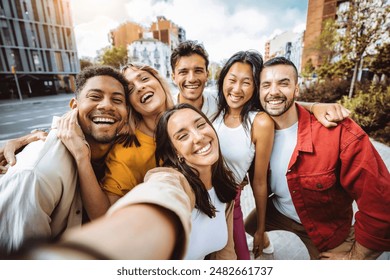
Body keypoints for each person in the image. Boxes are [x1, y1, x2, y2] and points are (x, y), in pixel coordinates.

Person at [0, 66, 192, 259]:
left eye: (117, 99)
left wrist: (27, 138)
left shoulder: (189, 116)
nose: (107, 106)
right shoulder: (35, 173)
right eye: (131, 89)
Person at [245, 57, 390, 260]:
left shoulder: (339, 132)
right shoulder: (253, 128)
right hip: (278, 211)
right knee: (246, 227)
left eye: (283, 83)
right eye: (266, 85)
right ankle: (264, 240)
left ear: (296, 89)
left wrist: (355, 258)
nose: (274, 91)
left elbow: (382, 204)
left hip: (325, 228)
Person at [59, 63, 174, 220]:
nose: (140, 87)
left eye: (144, 79)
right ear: (129, 105)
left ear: (160, 82)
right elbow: (103, 215)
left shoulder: (188, 117)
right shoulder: (128, 150)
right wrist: (81, 158)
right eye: (131, 89)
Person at [212, 50, 274, 259]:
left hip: (230, 204)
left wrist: (260, 229)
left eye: (246, 82)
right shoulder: (214, 109)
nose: (236, 89)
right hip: (199, 202)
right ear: (223, 80)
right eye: (232, 80)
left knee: (240, 260)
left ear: (256, 87)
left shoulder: (261, 122)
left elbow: (259, 181)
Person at [155, 103, 237, 259]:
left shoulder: (223, 185)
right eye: (183, 136)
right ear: (175, 152)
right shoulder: (175, 183)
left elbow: (227, 253)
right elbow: (159, 189)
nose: (199, 137)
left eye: (200, 125)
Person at [170, 40, 218, 120]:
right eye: (183, 72)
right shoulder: (165, 109)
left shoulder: (219, 104)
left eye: (198, 71)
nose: (191, 79)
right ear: (174, 77)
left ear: (207, 75)